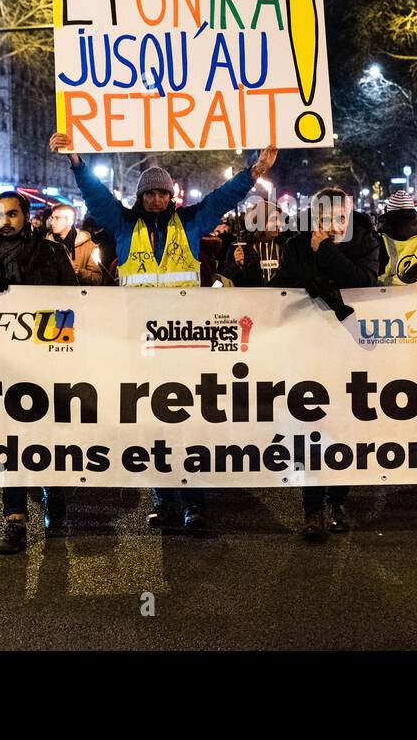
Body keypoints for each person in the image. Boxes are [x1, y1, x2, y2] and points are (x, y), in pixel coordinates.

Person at [50, 132, 276, 533]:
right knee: (150, 425)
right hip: (140, 344)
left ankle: (195, 502)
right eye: (149, 194)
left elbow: (223, 198)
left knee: (190, 425)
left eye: (161, 194)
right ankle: (163, 498)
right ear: (141, 197)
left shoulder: (190, 220)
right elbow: (97, 196)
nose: (155, 199)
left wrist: (253, 173)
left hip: (186, 342)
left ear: (171, 196)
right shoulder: (122, 223)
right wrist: (77, 162)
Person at [273, 188, 380, 540]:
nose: (332, 224)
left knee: (346, 426)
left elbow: (363, 284)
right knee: (311, 427)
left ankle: (337, 502)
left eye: (339, 217)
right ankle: (312, 508)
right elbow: (284, 289)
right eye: (325, 217)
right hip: (308, 347)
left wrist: (327, 253)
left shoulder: (365, 242)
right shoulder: (294, 246)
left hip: (351, 347)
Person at [0, 191, 78, 554]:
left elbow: (74, 301)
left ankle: (55, 497)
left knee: (46, 434)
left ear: (27, 216)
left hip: (46, 359)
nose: (4, 222)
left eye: (11, 215)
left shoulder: (50, 253)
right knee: (10, 439)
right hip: (1, 363)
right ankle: (15, 518)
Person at [219, 200, 291, 287]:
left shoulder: (286, 245)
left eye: (279, 220)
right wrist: (237, 265)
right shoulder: (241, 246)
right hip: (251, 299)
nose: (278, 224)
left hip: (281, 299)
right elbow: (224, 279)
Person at [43, 202, 106, 284]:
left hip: (76, 295)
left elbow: (98, 279)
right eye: (52, 218)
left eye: (57, 218)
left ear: (70, 221)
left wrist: (79, 272)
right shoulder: (44, 244)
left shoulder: (88, 245)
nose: (52, 222)